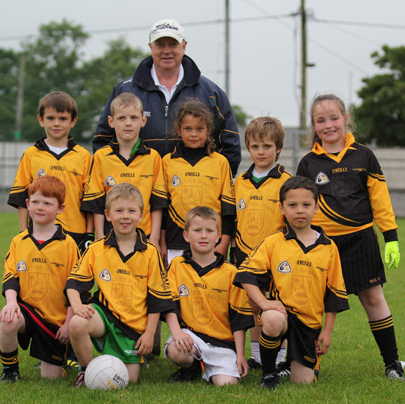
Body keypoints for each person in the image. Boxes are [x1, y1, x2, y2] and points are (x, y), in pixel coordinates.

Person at [296, 94, 405, 381]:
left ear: (346, 119)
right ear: (314, 126)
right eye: (321, 120)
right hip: (322, 246)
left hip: (361, 241)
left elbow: (380, 200)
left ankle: (392, 363)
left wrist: (390, 238)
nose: (328, 125)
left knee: (373, 299)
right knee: (312, 305)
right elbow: (299, 204)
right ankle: (305, 363)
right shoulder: (308, 163)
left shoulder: (364, 156)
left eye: (334, 118)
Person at [234, 176, 349, 389]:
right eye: (292, 205)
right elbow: (245, 275)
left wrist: (328, 331)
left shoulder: (328, 247)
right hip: (283, 315)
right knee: (272, 318)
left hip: (310, 325)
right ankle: (269, 373)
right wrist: (264, 303)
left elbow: (334, 294)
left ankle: (290, 363)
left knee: (303, 381)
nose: (300, 210)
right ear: (281, 208)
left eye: (306, 205)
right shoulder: (274, 242)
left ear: (316, 207)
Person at [66, 183, 184, 386]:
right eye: (119, 211)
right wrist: (77, 305)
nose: (125, 216)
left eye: (131, 211)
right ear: (108, 215)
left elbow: (158, 299)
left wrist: (148, 334)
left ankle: (126, 357)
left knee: (128, 380)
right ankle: (86, 370)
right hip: (104, 316)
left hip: (133, 328)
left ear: (141, 215)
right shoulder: (96, 249)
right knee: (77, 323)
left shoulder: (150, 252)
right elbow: (73, 284)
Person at [93, 19, 241, 176]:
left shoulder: (211, 93)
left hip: (193, 193)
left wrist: (213, 183)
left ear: (183, 46)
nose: (166, 51)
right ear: (151, 47)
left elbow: (230, 146)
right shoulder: (125, 90)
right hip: (137, 193)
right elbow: (103, 140)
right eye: (160, 45)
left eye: (173, 44)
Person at [0, 176, 80, 382]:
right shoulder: (19, 241)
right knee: (8, 319)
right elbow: (10, 276)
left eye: (47, 203)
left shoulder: (68, 245)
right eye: (35, 202)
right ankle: (10, 370)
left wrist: (68, 323)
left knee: (51, 378)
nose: (40, 207)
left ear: (60, 208)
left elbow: (76, 287)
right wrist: (11, 303)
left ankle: (59, 362)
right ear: (27, 204)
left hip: (54, 322)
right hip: (26, 311)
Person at [164, 206, 254, 385]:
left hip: (222, 343)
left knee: (227, 384)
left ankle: (213, 366)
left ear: (218, 236)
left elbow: (239, 319)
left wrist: (241, 355)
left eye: (209, 231)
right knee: (176, 349)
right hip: (191, 336)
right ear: (186, 235)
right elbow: (169, 306)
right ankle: (191, 367)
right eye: (197, 230)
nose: (203, 236)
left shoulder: (231, 272)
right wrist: (176, 333)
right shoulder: (177, 265)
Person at [232, 116, 291, 370]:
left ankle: (278, 357)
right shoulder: (240, 182)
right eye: (255, 146)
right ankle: (257, 356)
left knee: (277, 306)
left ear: (277, 148)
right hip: (244, 254)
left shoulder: (285, 180)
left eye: (266, 146)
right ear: (248, 147)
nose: (260, 152)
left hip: (275, 256)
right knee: (253, 306)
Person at [7, 91, 93, 253]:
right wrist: (23, 231)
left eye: (63, 119)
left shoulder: (84, 157)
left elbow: (90, 201)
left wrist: (89, 234)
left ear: (73, 121)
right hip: (39, 231)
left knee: (75, 278)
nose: (56, 124)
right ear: (41, 120)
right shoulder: (31, 155)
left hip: (76, 232)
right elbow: (21, 197)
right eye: (51, 118)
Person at [81, 92, 167, 247]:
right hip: (110, 239)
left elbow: (157, 203)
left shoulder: (153, 157)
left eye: (133, 118)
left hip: (145, 239)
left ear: (143, 120)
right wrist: (100, 237)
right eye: (122, 118)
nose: (128, 123)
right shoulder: (101, 157)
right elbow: (96, 202)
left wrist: (154, 238)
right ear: (111, 121)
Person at [160, 99, 235, 264]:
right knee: (176, 289)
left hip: (211, 243)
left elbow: (228, 209)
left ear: (208, 130)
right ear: (179, 130)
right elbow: (162, 207)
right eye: (188, 129)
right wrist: (163, 242)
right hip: (176, 242)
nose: (194, 134)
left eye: (199, 129)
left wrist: (224, 243)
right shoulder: (167, 162)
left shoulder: (220, 162)